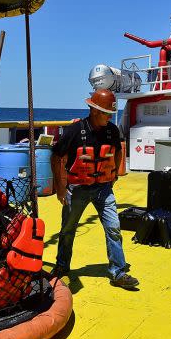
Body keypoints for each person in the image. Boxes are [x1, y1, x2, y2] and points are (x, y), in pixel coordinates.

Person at [49, 89, 139, 289]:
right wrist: (61, 188)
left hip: (104, 189)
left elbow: (116, 152)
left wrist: (113, 174)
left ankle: (118, 272)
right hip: (78, 190)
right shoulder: (74, 131)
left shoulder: (112, 131)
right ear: (95, 111)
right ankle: (62, 267)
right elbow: (55, 157)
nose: (109, 117)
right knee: (68, 229)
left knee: (114, 228)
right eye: (107, 113)